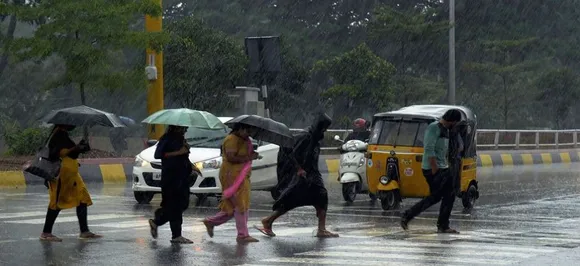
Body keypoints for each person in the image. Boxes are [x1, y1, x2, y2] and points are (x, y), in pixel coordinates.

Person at [255, 113, 339, 238]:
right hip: (304, 174)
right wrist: (298, 168)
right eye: (324, 127)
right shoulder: (305, 136)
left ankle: (321, 229)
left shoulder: (315, 136)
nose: (325, 130)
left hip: (312, 173)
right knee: (292, 200)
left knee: (321, 197)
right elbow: (289, 150)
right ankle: (268, 221)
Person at [400, 109, 463, 234]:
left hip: (443, 168)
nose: (456, 125)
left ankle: (411, 217)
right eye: (456, 122)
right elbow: (429, 148)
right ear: (452, 120)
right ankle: (440, 225)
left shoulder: (446, 130)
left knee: (442, 197)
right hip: (433, 169)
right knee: (442, 196)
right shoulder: (434, 128)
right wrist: (435, 169)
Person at [40, 125, 101, 241]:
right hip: (61, 175)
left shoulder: (65, 135)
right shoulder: (57, 136)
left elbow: (72, 153)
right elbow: (55, 154)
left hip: (72, 175)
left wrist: (81, 148)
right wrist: (75, 148)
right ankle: (46, 232)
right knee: (56, 202)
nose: (72, 125)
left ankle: (84, 231)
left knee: (83, 197)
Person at [202, 123, 260, 244]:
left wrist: (252, 155)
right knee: (240, 205)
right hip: (232, 176)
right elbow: (231, 158)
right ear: (240, 129)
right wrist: (249, 157)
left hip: (242, 175)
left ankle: (211, 222)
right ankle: (242, 235)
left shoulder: (244, 140)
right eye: (247, 131)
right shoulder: (231, 139)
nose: (249, 134)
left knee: (234, 207)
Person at [148, 125, 193, 244]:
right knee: (175, 206)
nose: (185, 131)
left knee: (182, 204)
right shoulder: (166, 139)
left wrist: (191, 165)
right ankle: (176, 235)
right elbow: (158, 155)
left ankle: (158, 220)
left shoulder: (181, 140)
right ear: (176, 128)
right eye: (183, 128)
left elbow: (183, 158)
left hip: (182, 178)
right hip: (171, 179)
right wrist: (179, 152)